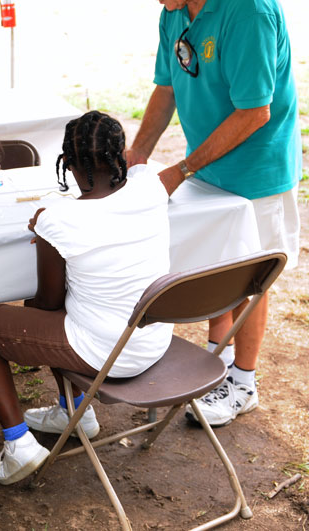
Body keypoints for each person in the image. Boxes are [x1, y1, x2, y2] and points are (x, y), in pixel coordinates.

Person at [0, 111, 173, 485]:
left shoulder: (59, 219)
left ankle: (20, 446)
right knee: (80, 302)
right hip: (154, 338)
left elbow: (47, 304)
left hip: (108, 352)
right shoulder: (151, 187)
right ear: (121, 157)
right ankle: (76, 410)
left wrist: (49, 232)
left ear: (66, 163)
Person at [126, 0, 301, 427]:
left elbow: (255, 111)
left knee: (248, 281)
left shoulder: (249, 12)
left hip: (255, 173)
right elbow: (167, 88)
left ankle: (243, 384)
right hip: (207, 165)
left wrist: (183, 169)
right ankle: (214, 370)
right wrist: (136, 156)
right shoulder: (174, 12)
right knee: (213, 269)